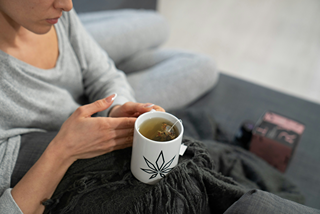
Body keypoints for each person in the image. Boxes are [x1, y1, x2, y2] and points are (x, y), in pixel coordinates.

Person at [0, 0, 218, 213]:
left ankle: (87, 52)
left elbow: (103, 74)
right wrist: (63, 149)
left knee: (157, 24)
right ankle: (91, 54)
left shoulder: (57, 15)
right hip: (75, 122)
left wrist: (116, 108)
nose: (68, 5)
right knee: (201, 66)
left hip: (65, 42)